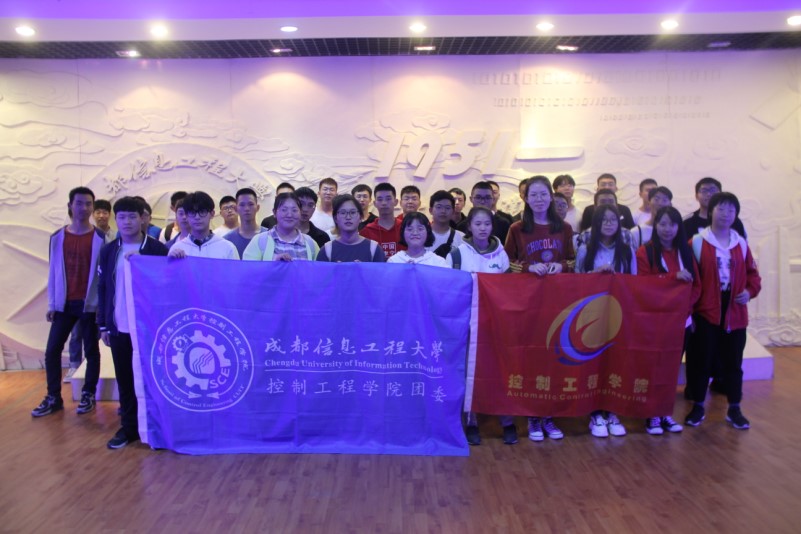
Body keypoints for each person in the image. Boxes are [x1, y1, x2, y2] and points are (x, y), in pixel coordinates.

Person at [504, 175, 574, 442]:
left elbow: (573, 260)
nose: (539, 199)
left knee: (553, 356)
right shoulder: (517, 228)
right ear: (525, 198)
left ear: (551, 196)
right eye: (533, 195)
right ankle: (533, 414)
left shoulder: (564, 228)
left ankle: (549, 413)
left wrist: (561, 266)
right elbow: (507, 261)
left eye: (543, 194)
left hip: (556, 303)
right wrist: (528, 267)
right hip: (527, 302)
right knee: (530, 357)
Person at [97, 196, 169, 448]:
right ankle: (129, 429)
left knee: (154, 379)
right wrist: (103, 324)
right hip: (120, 326)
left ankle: (159, 427)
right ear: (116, 220)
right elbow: (103, 288)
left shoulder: (157, 249)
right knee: (125, 379)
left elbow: (167, 285)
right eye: (122, 217)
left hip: (150, 328)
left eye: (132, 216)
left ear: (143, 219)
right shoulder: (109, 251)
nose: (127, 222)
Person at [685, 192, 761, 430]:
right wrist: (689, 313)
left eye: (731, 210)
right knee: (701, 361)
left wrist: (749, 292)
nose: (726, 214)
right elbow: (690, 283)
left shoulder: (741, 244)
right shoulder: (697, 242)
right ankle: (698, 406)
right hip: (705, 311)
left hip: (734, 311)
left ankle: (734, 408)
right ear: (711, 211)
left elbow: (753, 276)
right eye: (721, 208)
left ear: (736, 214)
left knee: (733, 363)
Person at [32, 187, 105, 417]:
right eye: (79, 203)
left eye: (88, 203)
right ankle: (53, 396)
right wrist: (52, 304)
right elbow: (53, 272)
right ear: (70, 206)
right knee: (52, 350)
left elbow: (104, 277)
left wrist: (101, 307)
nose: (84, 208)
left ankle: (88, 394)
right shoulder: (57, 237)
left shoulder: (101, 238)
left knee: (91, 351)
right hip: (64, 303)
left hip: (89, 304)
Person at [447, 207, 514, 445]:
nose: (483, 228)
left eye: (487, 224)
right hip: (467, 323)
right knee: (470, 372)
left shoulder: (501, 254)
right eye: (478, 224)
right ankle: (472, 421)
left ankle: (507, 421)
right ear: (469, 227)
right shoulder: (457, 255)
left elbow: (509, 290)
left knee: (498, 371)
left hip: (495, 323)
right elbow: (450, 291)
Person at [636, 206, 699, 435]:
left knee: (671, 368)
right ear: (655, 226)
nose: (667, 229)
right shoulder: (645, 251)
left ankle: (665, 412)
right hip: (655, 321)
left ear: (678, 227)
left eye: (672, 224)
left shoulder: (686, 251)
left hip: (681, 321)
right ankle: (651, 414)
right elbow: (644, 285)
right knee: (653, 367)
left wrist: (685, 310)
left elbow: (696, 285)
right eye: (662, 224)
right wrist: (673, 277)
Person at [575, 204, 636, 438]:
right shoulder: (586, 249)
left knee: (615, 363)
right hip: (592, 314)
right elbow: (576, 282)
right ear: (596, 223)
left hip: (618, 314)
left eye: (613, 220)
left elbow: (634, 282)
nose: (609, 224)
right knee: (593, 363)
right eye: (604, 220)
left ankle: (612, 411)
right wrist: (596, 275)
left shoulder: (627, 250)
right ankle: (594, 414)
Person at [243, 192, 319, 261]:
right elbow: (248, 269)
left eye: (294, 210)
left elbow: (319, 270)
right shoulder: (260, 241)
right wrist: (274, 263)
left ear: (300, 213)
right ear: (274, 212)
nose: (289, 215)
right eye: (284, 210)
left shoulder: (310, 243)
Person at [168, 191, 239, 260]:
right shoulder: (177, 249)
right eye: (192, 213)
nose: (197, 217)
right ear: (186, 215)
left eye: (202, 212)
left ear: (212, 214)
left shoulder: (227, 248)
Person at [317, 194, 386, 262]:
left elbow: (381, 269)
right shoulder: (327, 250)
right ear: (335, 218)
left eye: (352, 212)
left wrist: (363, 269)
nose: (348, 217)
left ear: (360, 217)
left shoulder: (374, 249)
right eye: (343, 213)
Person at [359, 183, 404, 259]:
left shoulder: (404, 228)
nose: (384, 203)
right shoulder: (366, 232)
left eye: (388, 199)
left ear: (396, 202)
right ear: (375, 203)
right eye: (380, 199)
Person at [225, 187, 266, 258]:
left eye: (250, 204)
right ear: (236, 209)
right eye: (242, 205)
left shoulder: (269, 236)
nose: (246, 209)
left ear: (257, 207)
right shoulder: (228, 240)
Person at [427, 190, 464, 257]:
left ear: (453, 211)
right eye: (439, 207)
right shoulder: (421, 236)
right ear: (431, 210)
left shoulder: (461, 238)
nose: (443, 211)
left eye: (447, 208)